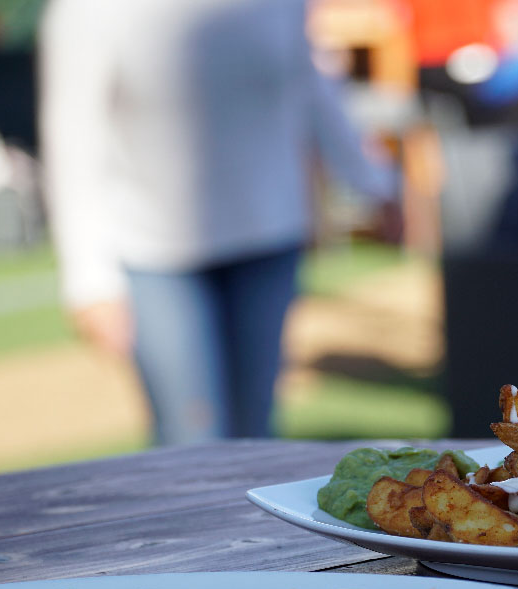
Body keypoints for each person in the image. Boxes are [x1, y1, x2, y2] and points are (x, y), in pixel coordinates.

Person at [39, 0, 396, 445]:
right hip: (154, 250)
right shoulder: (92, 10)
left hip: (269, 238)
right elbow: (72, 134)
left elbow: (310, 86)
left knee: (254, 439)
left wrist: (374, 184)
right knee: (190, 439)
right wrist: (88, 281)